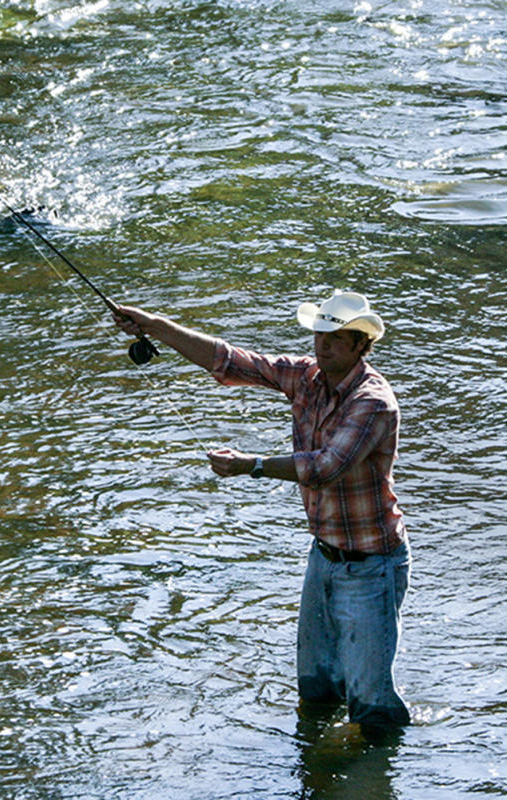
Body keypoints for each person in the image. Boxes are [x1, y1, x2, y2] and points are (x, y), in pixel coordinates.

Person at [114, 290, 411, 740]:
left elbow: (327, 467)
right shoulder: (306, 377)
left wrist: (250, 464)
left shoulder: (372, 402)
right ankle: (315, 768)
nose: (321, 344)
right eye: (319, 334)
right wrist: (155, 326)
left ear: (358, 345)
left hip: (371, 566)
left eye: (334, 337)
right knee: (316, 691)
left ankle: (378, 772)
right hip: (324, 558)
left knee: (372, 707)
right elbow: (230, 361)